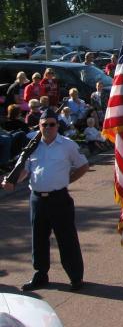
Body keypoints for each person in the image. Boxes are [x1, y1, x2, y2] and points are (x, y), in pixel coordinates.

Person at [2, 108, 89, 292]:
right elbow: (24, 170)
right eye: (44, 124)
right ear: (39, 126)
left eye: (52, 124)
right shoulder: (32, 146)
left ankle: (75, 277)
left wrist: (68, 179)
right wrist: (12, 181)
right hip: (37, 199)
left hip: (59, 199)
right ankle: (41, 274)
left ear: (57, 125)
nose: (48, 128)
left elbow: (83, 165)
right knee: (39, 239)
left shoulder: (67, 145)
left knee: (67, 239)